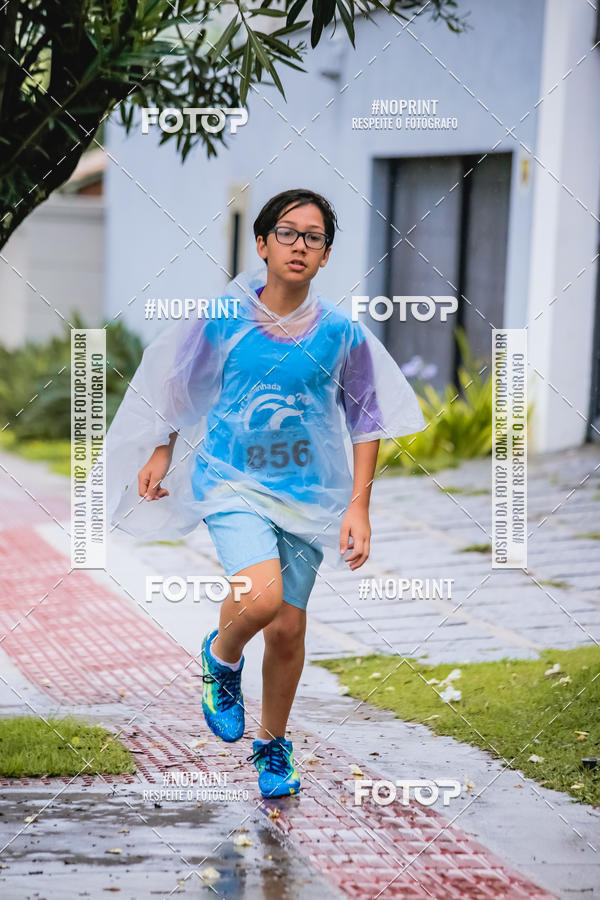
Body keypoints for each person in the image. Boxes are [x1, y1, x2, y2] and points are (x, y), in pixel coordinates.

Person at [104, 188, 425, 798]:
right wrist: (162, 447)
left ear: (326, 255)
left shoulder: (340, 334)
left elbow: (366, 417)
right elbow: (179, 383)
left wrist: (359, 503)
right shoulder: (224, 318)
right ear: (261, 244)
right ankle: (221, 660)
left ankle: (273, 746)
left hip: (308, 494)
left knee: (287, 631)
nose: (299, 245)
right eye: (287, 232)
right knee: (260, 599)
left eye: (314, 237)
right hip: (230, 479)